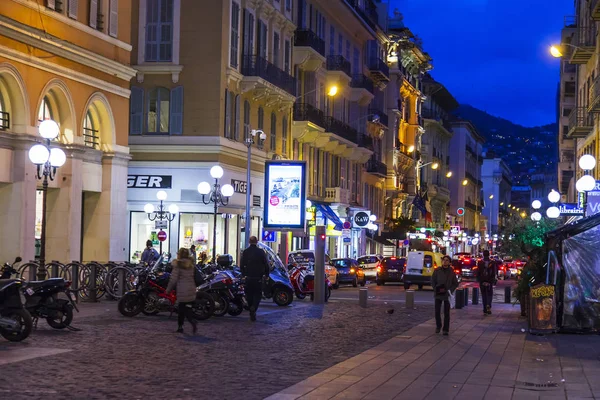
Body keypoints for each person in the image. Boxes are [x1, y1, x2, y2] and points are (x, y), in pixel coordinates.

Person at [166, 248, 198, 334]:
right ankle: (191, 321)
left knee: (181, 309)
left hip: (182, 290)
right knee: (187, 308)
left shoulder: (178, 265)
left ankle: (181, 326)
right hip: (191, 289)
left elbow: (173, 279)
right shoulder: (191, 264)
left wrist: (168, 290)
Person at [240, 236, 270, 322]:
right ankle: (254, 308)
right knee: (257, 295)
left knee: (249, 294)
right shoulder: (261, 252)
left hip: (248, 277)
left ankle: (251, 308)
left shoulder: (246, 252)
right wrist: (267, 274)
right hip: (258, 278)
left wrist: (243, 274)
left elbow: (242, 265)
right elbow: (266, 264)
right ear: (257, 242)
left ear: (249, 242)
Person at [431, 255, 459, 335]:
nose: (445, 261)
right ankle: (438, 326)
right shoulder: (437, 270)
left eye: (447, 260)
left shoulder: (451, 272)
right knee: (437, 311)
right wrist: (435, 288)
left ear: (449, 262)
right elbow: (433, 280)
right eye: (444, 260)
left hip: (447, 294)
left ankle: (445, 329)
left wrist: (450, 290)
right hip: (438, 293)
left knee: (447, 312)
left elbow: (455, 283)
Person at [477, 250, 497, 315]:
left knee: (483, 295)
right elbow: (494, 272)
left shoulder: (480, 262)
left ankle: (485, 309)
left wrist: (479, 280)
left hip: (482, 280)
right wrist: (493, 280)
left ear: (483, 254)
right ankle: (488, 305)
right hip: (489, 280)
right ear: (489, 255)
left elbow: (478, 272)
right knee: (489, 294)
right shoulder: (492, 262)